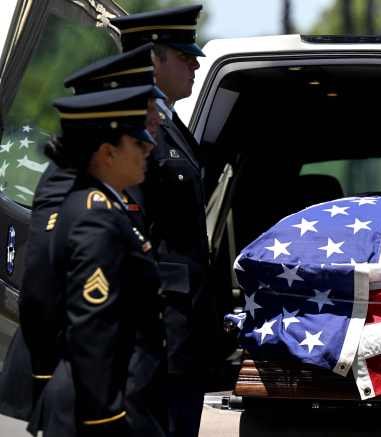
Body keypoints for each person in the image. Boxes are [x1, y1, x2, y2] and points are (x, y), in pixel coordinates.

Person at [0, 43, 164, 422]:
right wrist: (49, 373)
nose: (154, 124)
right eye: (147, 110)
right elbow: (41, 281)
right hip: (80, 380)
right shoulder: (81, 192)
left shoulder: (110, 182)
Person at [111, 6, 223, 437]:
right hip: (155, 325)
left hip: (180, 329)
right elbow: (126, 233)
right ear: (152, 60)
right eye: (183, 55)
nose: (195, 64)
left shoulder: (170, 128)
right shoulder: (136, 128)